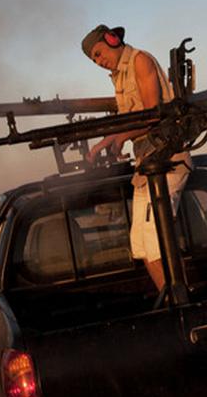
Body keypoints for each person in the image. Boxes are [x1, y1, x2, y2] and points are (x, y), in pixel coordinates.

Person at [81, 24, 191, 292]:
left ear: (112, 39)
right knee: (142, 247)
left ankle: (183, 305)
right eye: (93, 59)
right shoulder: (120, 76)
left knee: (156, 245)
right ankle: (170, 301)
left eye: (98, 53)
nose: (98, 62)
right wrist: (106, 141)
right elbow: (130, 121)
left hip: (168, 160)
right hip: (147, 165)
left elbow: (153, 115)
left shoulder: (140, 61)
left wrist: (119, 137)